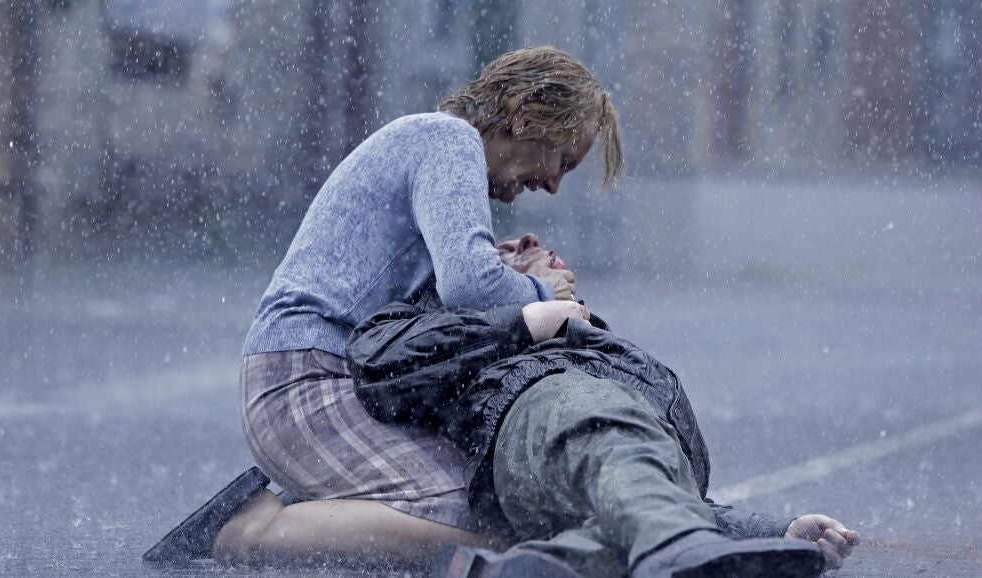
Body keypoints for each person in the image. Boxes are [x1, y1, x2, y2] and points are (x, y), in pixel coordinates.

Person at [142, 47, 623, 565]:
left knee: (480, 503)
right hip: (303, 381)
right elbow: (470, 287)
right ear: (527, 117)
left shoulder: (442, 147)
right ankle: (251, 532)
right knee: (457, 512)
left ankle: (318, 515)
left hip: (331, 377)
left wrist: (509, 272)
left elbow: (439, 313)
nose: (552, 185)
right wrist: (547, 295)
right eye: (562, 160)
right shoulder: (450, 141)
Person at [340, 234, 861, 577]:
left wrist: (773, 531)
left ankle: (545, 566)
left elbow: (642, 484)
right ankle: (675, 544)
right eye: (503, 250)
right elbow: (375, 358)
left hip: (601, 457)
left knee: (624, 523)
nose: (531, 240)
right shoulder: (443, 307)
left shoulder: (591, 345)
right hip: (540, 416)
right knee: (601, 417)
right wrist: (524, 321)